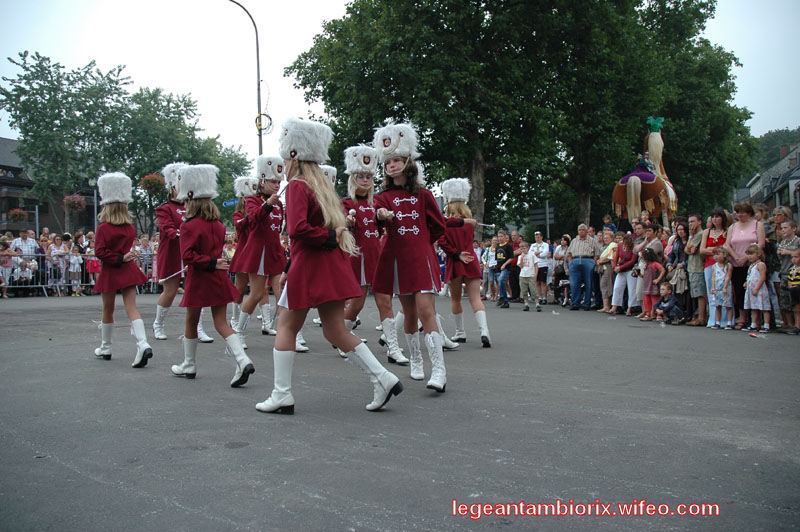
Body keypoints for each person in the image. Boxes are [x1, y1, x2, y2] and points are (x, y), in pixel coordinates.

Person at [256, 117, 402, 414]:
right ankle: (383, 377)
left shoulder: (297, 186)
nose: (284, 163)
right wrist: (330, 238)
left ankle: (282, 394)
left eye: (285, 156)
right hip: (329, 265)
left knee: (286, 326)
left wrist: (323, 239)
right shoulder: (320, 186)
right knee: (335, 330)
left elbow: (297, 230)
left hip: (310, 265)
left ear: (294, 155)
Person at [370, 121, 449, 391]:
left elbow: (439, 225)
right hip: (396, 260)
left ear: (408, 162)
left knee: (427, 310)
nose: (392, 165)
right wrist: (380, 216)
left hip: (421, 258)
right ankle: (415, 359)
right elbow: (375, 218)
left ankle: (439, 369)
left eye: (397, 160)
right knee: (410, 312)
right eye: (388, 161)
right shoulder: (382, 197)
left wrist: (424, 245)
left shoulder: (424, 194)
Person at [169, 165, 255, 386]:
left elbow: (188, 256)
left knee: (191, 321)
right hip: (218, 278)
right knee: (222, 323)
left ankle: (189, 364)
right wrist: (213, 262)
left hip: (199, 279)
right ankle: (242, 359)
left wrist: (207, 262)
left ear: (191, 200)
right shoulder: (217, 224)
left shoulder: (188, 226)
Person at [341, 144, 410, 363]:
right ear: (353, 178)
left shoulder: (376, 202)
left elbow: (379, 227)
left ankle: (393, 347)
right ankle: (341, 338)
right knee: (357, 303)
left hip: (378, 256)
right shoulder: (345, 203)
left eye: (369, 177)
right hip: (357, 258)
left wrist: (382, 217)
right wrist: (347, 221)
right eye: (361, 176)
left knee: (385, 301)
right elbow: (339, 225)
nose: (365, 180)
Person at [92, 172, 152, 367]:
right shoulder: (130, 228)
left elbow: (100, 252)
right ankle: (143, 343)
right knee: (132, 308)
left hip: (111, 270)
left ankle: (106, 346)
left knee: (107, 309)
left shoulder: (103, 228)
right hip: (127, 269)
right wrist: (123, 257)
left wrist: (117, 258)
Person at [234, 155, 292, 350]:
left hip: (275, 252)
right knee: (257, 293)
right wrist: (267, 205)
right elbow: (253, 219)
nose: (277, 185)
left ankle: (290, 335)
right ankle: (239, 332)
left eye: (279, 182)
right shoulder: (252, 200)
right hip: (258, 252)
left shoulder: (281, 204)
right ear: (262, 181)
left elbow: (279, 228)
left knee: (282, 293)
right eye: (273, 182)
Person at [152, 162, 214, 342]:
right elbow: (167, 229)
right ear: (171, 188)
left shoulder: (192, 206)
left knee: (195, 291)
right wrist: (186, 234)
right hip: (172, 253)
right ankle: (158, 324)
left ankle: (198, 328)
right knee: (170, 291)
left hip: (191, 253)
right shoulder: (164, 208)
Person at [436, 177, 491, 346]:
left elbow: (442, 242)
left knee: (456, 299)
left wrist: (455, 253)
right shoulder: (470, 224)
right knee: (476, 298)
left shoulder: (446, 223)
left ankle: (460, 332)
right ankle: (484, 331)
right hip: (471, 260)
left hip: (456, 260)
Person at [725, 202, 765, 329]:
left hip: (753, 263)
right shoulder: (733, 227)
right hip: (736, 262)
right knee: (739, 290)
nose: (740, 215)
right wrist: (736, 257)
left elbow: (761, 243)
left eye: (742, 212)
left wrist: (746, 257)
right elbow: (727, 244)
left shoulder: (758, 225)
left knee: (754, 289)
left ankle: (757, 319)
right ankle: (742, 316)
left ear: (749, 213)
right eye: (737, 212)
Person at [227, 175, 259, 331]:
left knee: (258, 291)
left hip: (255, 252)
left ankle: (250, 323)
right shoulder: (237, 215)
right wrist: (252, 215)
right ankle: (234, 318)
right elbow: (240, 226)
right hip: (242, 253)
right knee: (239, 288)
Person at [700, 208, 729, 326]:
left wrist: (711, 250)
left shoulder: (727, 231)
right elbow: (702, 250)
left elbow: (726, 249)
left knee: (723, 290)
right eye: (713, 217)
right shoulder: (707, 232)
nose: (715, 219)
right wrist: (718, 250)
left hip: (723, 265)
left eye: (718, 216)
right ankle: (713, 319)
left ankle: (725, 319)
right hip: (709, 264)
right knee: (711, 291)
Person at [566, 224, 601, 310]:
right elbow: (569, 253)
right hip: (575, 259)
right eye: (579, 230)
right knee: (574, 283)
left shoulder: (592, 240)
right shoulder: (574, 240)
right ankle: (575, 303)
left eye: (583, 230)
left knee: (588, 283)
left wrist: (593, 262)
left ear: (586, 231)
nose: (581, 231)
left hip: (587, 259)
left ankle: (587, 304)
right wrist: (570, 263)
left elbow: (597, 253)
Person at [685, 214, 708, 326]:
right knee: (696, 293)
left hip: (698, 267)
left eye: (693, 221)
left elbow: (691, 250)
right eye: (689, 222)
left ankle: (701, 317)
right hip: (692, 266)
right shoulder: (694, 235)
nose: (690, 224)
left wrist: (690, 236)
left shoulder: (700, 234)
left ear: (699, 221)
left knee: (700, 294)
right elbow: (687, 249)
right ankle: (699, 315)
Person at [742, 245, 771, 332]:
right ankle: (753, 324)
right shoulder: (751, 265)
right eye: (748, 254)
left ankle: (766, 325)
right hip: (751, 289)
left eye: (751, 254)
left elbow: (762, 277)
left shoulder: (760, 265)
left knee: (764, 308)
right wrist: (747, 282)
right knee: (754, 307)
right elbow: (750, 276)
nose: (749, 256)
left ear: (758, 254)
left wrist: (757, 288)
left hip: (759, 289)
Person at [777, 220, 799, 331]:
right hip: (784, 272)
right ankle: (789, 324)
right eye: (782, 228)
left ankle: (797, 324)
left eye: (785, 228)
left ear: (794, 228)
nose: (783, 230)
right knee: (784, 300)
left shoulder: (797, 241)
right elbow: (780, 256)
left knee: (795, 300)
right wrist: (780, 253)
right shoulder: (783, 241)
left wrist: (788, 252)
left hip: (795, 273)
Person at [610, 233, 637, 315]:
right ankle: (614, 306)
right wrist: (614, 266)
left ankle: (630, 307)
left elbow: (632, 261)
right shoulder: (620, 245)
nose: (626, 245)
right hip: (621, 269)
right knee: (617, 287)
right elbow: (616, 257)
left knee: (632, 289)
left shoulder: (634, 247)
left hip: (630, 269)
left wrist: (621, 267)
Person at [708, 247, 734, 330]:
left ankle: (729, 322)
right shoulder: (714, 266)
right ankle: (717, 322)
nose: (715, 256)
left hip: (725, 287)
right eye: (714, 254)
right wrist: (713, 287)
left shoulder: (728, 265)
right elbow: (713, 277)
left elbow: (728, 276)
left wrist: (725, 287)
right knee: (717, 305)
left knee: (728, 305)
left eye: (718, 254)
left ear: (724, 255)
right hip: (717, 287)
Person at [638, 248, 665, 321]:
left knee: (655, 300)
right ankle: (648, 314)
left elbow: (662, 270)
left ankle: (657, 314)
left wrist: (658, 279)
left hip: (652, 285)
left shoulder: (655, 264)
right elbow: (645, 276)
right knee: (646, 301)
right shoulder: (646, 265)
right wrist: (639, 274)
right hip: (646, 285)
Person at [595, 229, 617, 313]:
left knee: (606, 285)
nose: (605, 239)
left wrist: (601, 261)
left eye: (607, 238)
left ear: (612, 238)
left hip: (608, 267)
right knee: (604, 285)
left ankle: (607, 306)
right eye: (604, 238)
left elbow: (610, 256)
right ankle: (606, 306)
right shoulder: (606, 247)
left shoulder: (613, 245)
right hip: (603, 268)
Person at [494, 230, 515, 308]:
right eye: (498, 236)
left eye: (501, 236)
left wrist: (504, 264)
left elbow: (511, 258)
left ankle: (502, 297)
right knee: (501, 283)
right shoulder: (498, 246)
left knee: (502, 280)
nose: (500, 238)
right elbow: (497, 258)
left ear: (505, 237)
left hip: (506, 267)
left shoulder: (508, 246)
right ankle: (505, 300)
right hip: (498, 267)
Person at [530, 231, 550, 307]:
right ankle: (540, 297)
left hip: (543, 265)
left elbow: (544, 254)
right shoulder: (533, 245)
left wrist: (537, 254)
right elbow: (530, 254)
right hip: (535, 265)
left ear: (541, 237)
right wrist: (538, 253)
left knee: (543, 282)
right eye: (536, 237)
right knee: (537, 282)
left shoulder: (545, 245)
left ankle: (545, 297)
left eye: (538, 237)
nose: (537, 238)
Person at [517, 240, 536, 311]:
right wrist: (522, 258)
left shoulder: (532, 255)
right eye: (521, 249)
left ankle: (537, 304)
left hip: (531, 274)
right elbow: (521, 266)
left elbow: (536, 265)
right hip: (523, 275)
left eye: (524, 248)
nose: (523, 250)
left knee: (533, 290)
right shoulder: (520, 257)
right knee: (524, 290)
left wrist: (535, 274)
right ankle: (526, 304)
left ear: (528, 248)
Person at [552, 235, 570, 306]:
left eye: (564, 240)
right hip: (559, 267)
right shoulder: (559, 247)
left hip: (565, 268)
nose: (562, 241)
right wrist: (562, 257)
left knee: (565, 283)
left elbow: (567, 257)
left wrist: (562, 257)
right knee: (556, 283)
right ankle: (556, 297)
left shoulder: (569, 248)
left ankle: (565, 297)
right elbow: (556, 257)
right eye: (562, 240)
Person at [786, 248, 800, 335]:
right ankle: (797, 326)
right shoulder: (792, 269)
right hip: (794, 291)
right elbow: (789, 279)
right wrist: (790, 285)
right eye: (792, 257)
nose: (794, 259)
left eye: (796, 257)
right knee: (796, 309)